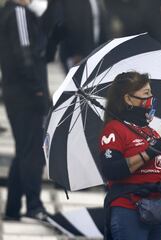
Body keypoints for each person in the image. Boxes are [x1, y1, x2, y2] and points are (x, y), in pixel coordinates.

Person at [99, 72, 161, 240]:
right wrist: (148, 153)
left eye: (151, 92)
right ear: (128, 99)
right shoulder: (114, 129)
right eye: (146, 94)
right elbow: (111, 169)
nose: (151, 98)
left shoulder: (152, 133)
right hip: (129, 209)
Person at [0, 0, 50, 220]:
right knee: (32, 152)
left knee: (24, 150)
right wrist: (37, 88)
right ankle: (33, 205)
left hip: (19, 92)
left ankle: (12, 208)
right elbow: (24, 54)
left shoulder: (16, 13)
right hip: (26, 94)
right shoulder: (18, 13)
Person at [42, 0, 110, 72]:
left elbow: (102, 25)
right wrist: (76, 53)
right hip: (77, 55)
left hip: (96, 50)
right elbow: (70, 24)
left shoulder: (97, 2)